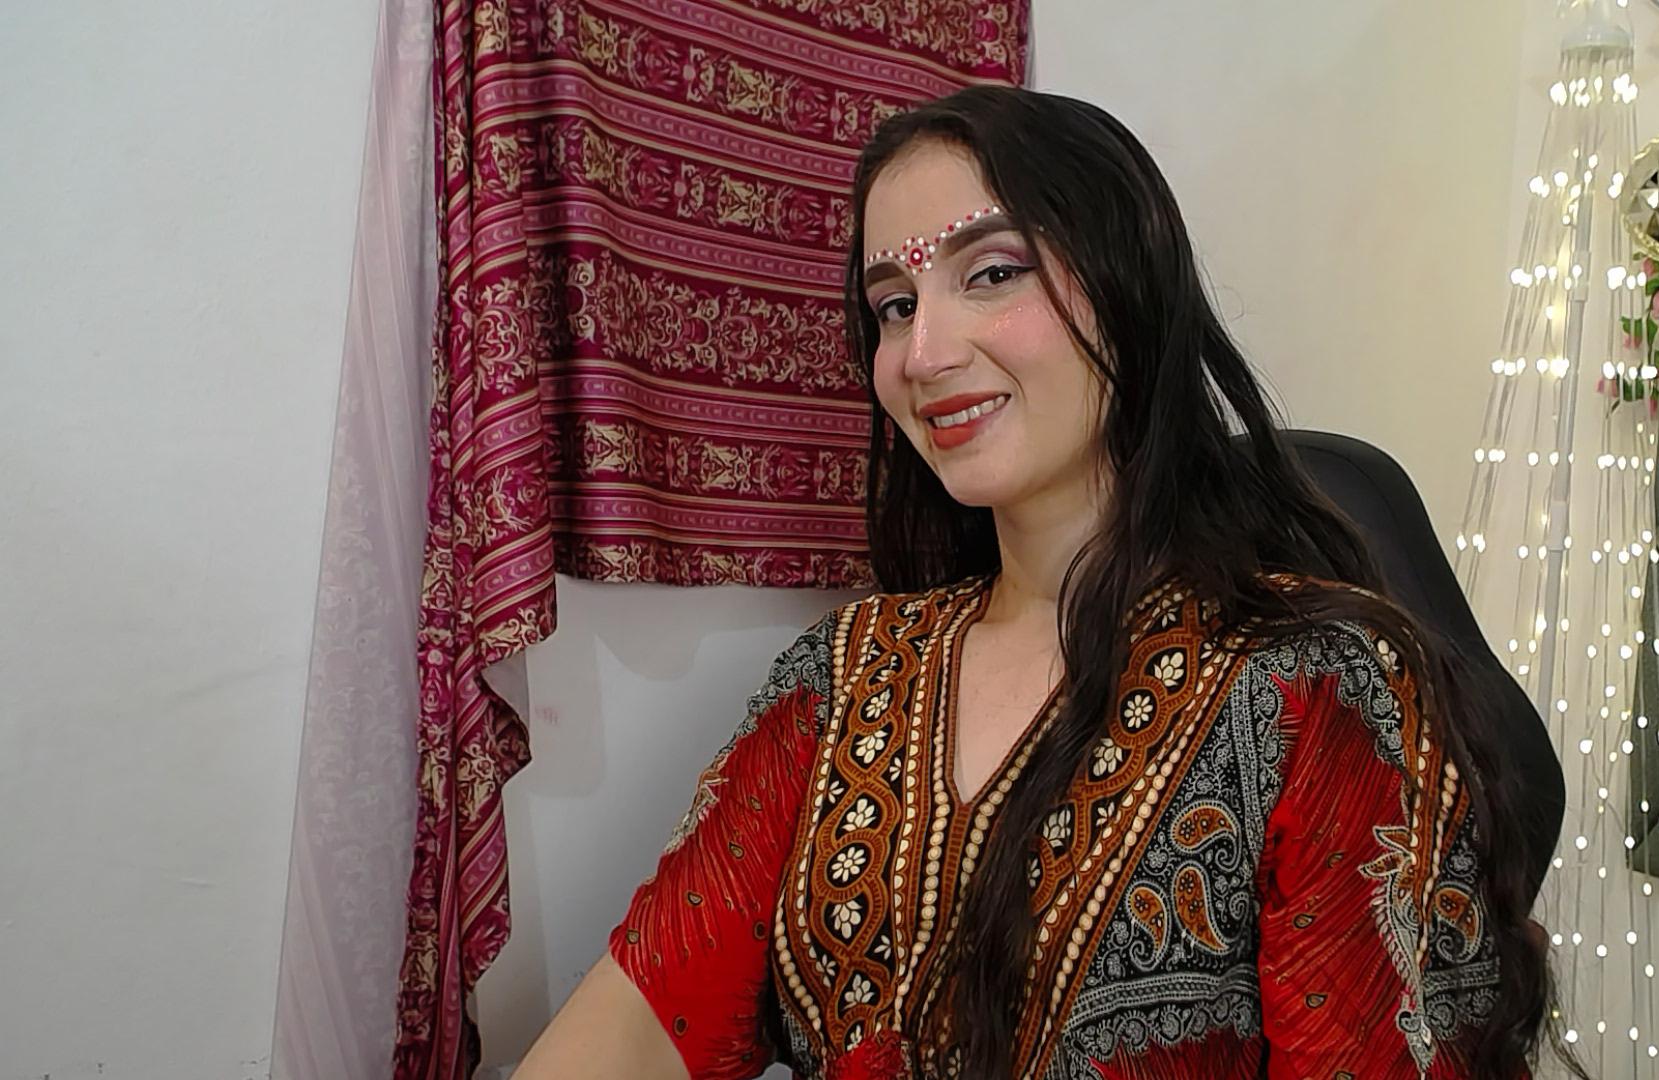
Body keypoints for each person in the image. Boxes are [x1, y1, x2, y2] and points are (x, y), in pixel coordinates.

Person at [515, 86, 1555, 1079]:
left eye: (992, 272)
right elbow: (642, 1017)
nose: (922, 353)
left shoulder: (1311, 686)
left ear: (1126, 282)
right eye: (892, 306)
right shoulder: (842, 674)